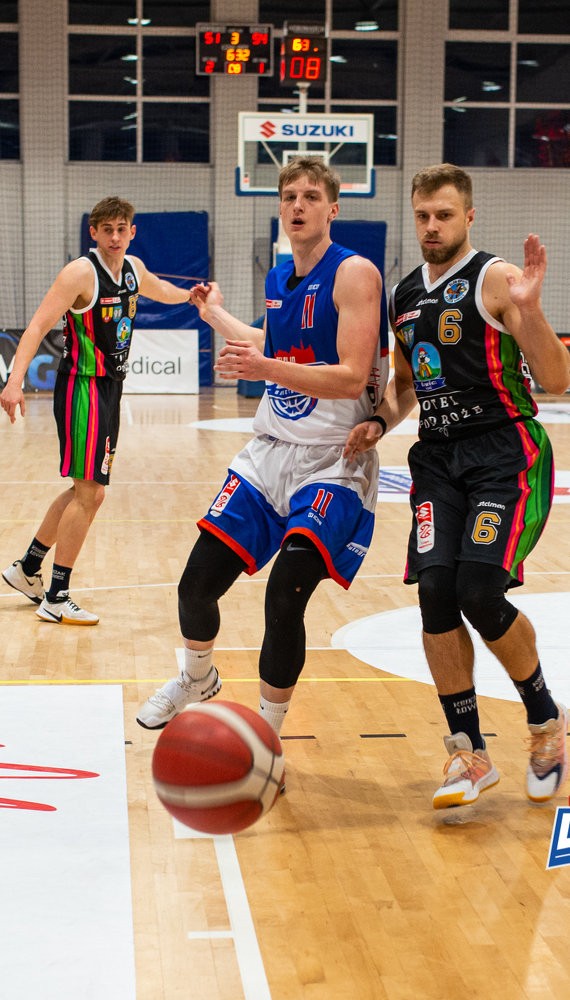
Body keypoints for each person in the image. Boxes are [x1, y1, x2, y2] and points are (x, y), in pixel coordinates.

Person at [344, 163, 570, 810]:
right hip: (437, 460)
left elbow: (556, 379)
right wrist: (380, 421)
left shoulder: (497, 279)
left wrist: (532, 311)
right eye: (422, 215)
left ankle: (545, 719)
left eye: (443, 215)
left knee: (478, 589)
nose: (431, 226)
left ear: (468, 216)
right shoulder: (403, 295)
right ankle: (468, 752)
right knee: (435, 594)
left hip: (504, 453)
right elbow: (407, 384)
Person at [134, 158, 387, 735]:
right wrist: (213, 314)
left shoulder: (355, 274)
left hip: (333, 461)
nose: (298, 205)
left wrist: (264, 367)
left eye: (311, 196)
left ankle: (268, 732)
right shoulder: (278, 278)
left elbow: (352, 378)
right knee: (196, 585)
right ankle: (196, 677)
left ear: (333, 208)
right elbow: (268, 344)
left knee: (285, 595)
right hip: (271, 452)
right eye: (289, 196)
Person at [0, 196, 192, 625]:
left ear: (132, 232)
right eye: (108, 230)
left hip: (110, 389)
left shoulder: (133, 268)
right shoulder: (80, 273)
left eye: (122, 229)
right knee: (89, 493)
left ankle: (28, 568)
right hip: (82, 388)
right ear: (94, 232)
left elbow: (160, 289)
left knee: (86, 492)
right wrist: (15, 381)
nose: (115, 237)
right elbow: (37, 325)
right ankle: (56, 596)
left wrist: (192, 297)